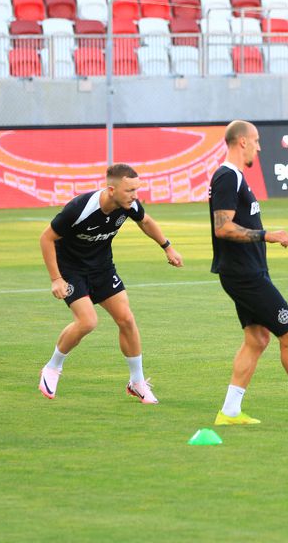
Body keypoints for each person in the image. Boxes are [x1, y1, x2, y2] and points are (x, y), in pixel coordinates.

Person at [210, 120, 288, 428]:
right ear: (242, 142)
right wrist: (267, 235)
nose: (259, 147)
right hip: (245, 275)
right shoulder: (228, 176)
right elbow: (222, 227)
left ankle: (229, 411)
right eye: (255, 141)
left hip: (247, 271)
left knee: (256, 339)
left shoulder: (235, 176)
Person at [38, 164, 183, 403]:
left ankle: (137, 382)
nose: (134, 195)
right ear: (112, 190)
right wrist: (56, 279)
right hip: (72, 270)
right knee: (87, 321)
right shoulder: (80, 208)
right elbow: (46, 238)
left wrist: (167, 247)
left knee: (126, 319)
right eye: (129, 190)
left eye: (136, 189)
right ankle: (52, 367)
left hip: (102, 269)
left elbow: (146, 221)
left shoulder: (129, 205)